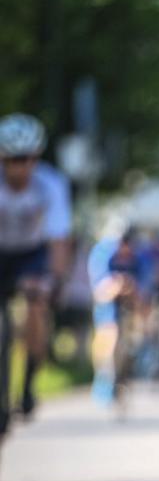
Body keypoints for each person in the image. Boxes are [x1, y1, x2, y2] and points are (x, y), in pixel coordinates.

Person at [0, 113, 72, 424]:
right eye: (13, 159)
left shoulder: (50, 184)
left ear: (37, 157)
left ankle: (28, 381)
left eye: (28, 158)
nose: (22, 167)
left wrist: (54, 280)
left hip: (31, 252)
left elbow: (59, 239)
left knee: (35, 304)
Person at [87, 223, 153, 403]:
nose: (125, 248)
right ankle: (103, 377)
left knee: (137, 330)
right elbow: (99, 292)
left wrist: (132, 289)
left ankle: (131, 365)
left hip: (131, 303)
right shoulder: (103, 254)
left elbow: (144, 292)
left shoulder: (139, 258)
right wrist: (116, 286)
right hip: (108, 302)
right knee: (109, 333)